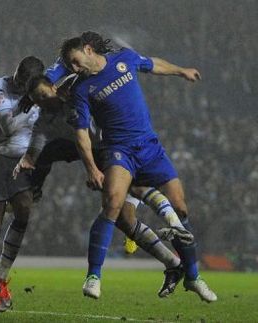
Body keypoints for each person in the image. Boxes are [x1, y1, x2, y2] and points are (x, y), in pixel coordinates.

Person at [57, 31, 216, 302]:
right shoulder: (82, 89)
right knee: (112, 204)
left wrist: (180, 71)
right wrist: (92, 169)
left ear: (88, 50)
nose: (74, 68)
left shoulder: (125, 59)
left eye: (74, 61)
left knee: (180, 208)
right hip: (120, 151)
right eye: (69, 66)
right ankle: (94, 276)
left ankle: (192, 276)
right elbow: (81, 133)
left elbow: (153, 64)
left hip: (150, 147)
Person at [15, 74, 191, 298]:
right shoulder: (45, 121)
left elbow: (90, 73)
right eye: (36, 99)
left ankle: (179, 238)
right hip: (102, 155)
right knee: (124, 220)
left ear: (53, 86)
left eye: (43, 95)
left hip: (122, 146)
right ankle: (174, 263)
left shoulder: (74, 91)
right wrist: (26, 162)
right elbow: (36, 149)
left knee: (135, 193)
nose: (42, 101)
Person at [0, 56, 44, 313]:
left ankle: (0, 279)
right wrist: (35, 104)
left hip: (22, 161)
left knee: (24, 211)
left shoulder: (38, 94)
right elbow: (9, 125)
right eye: (17, 75)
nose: (17, 82)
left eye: (23, 81)